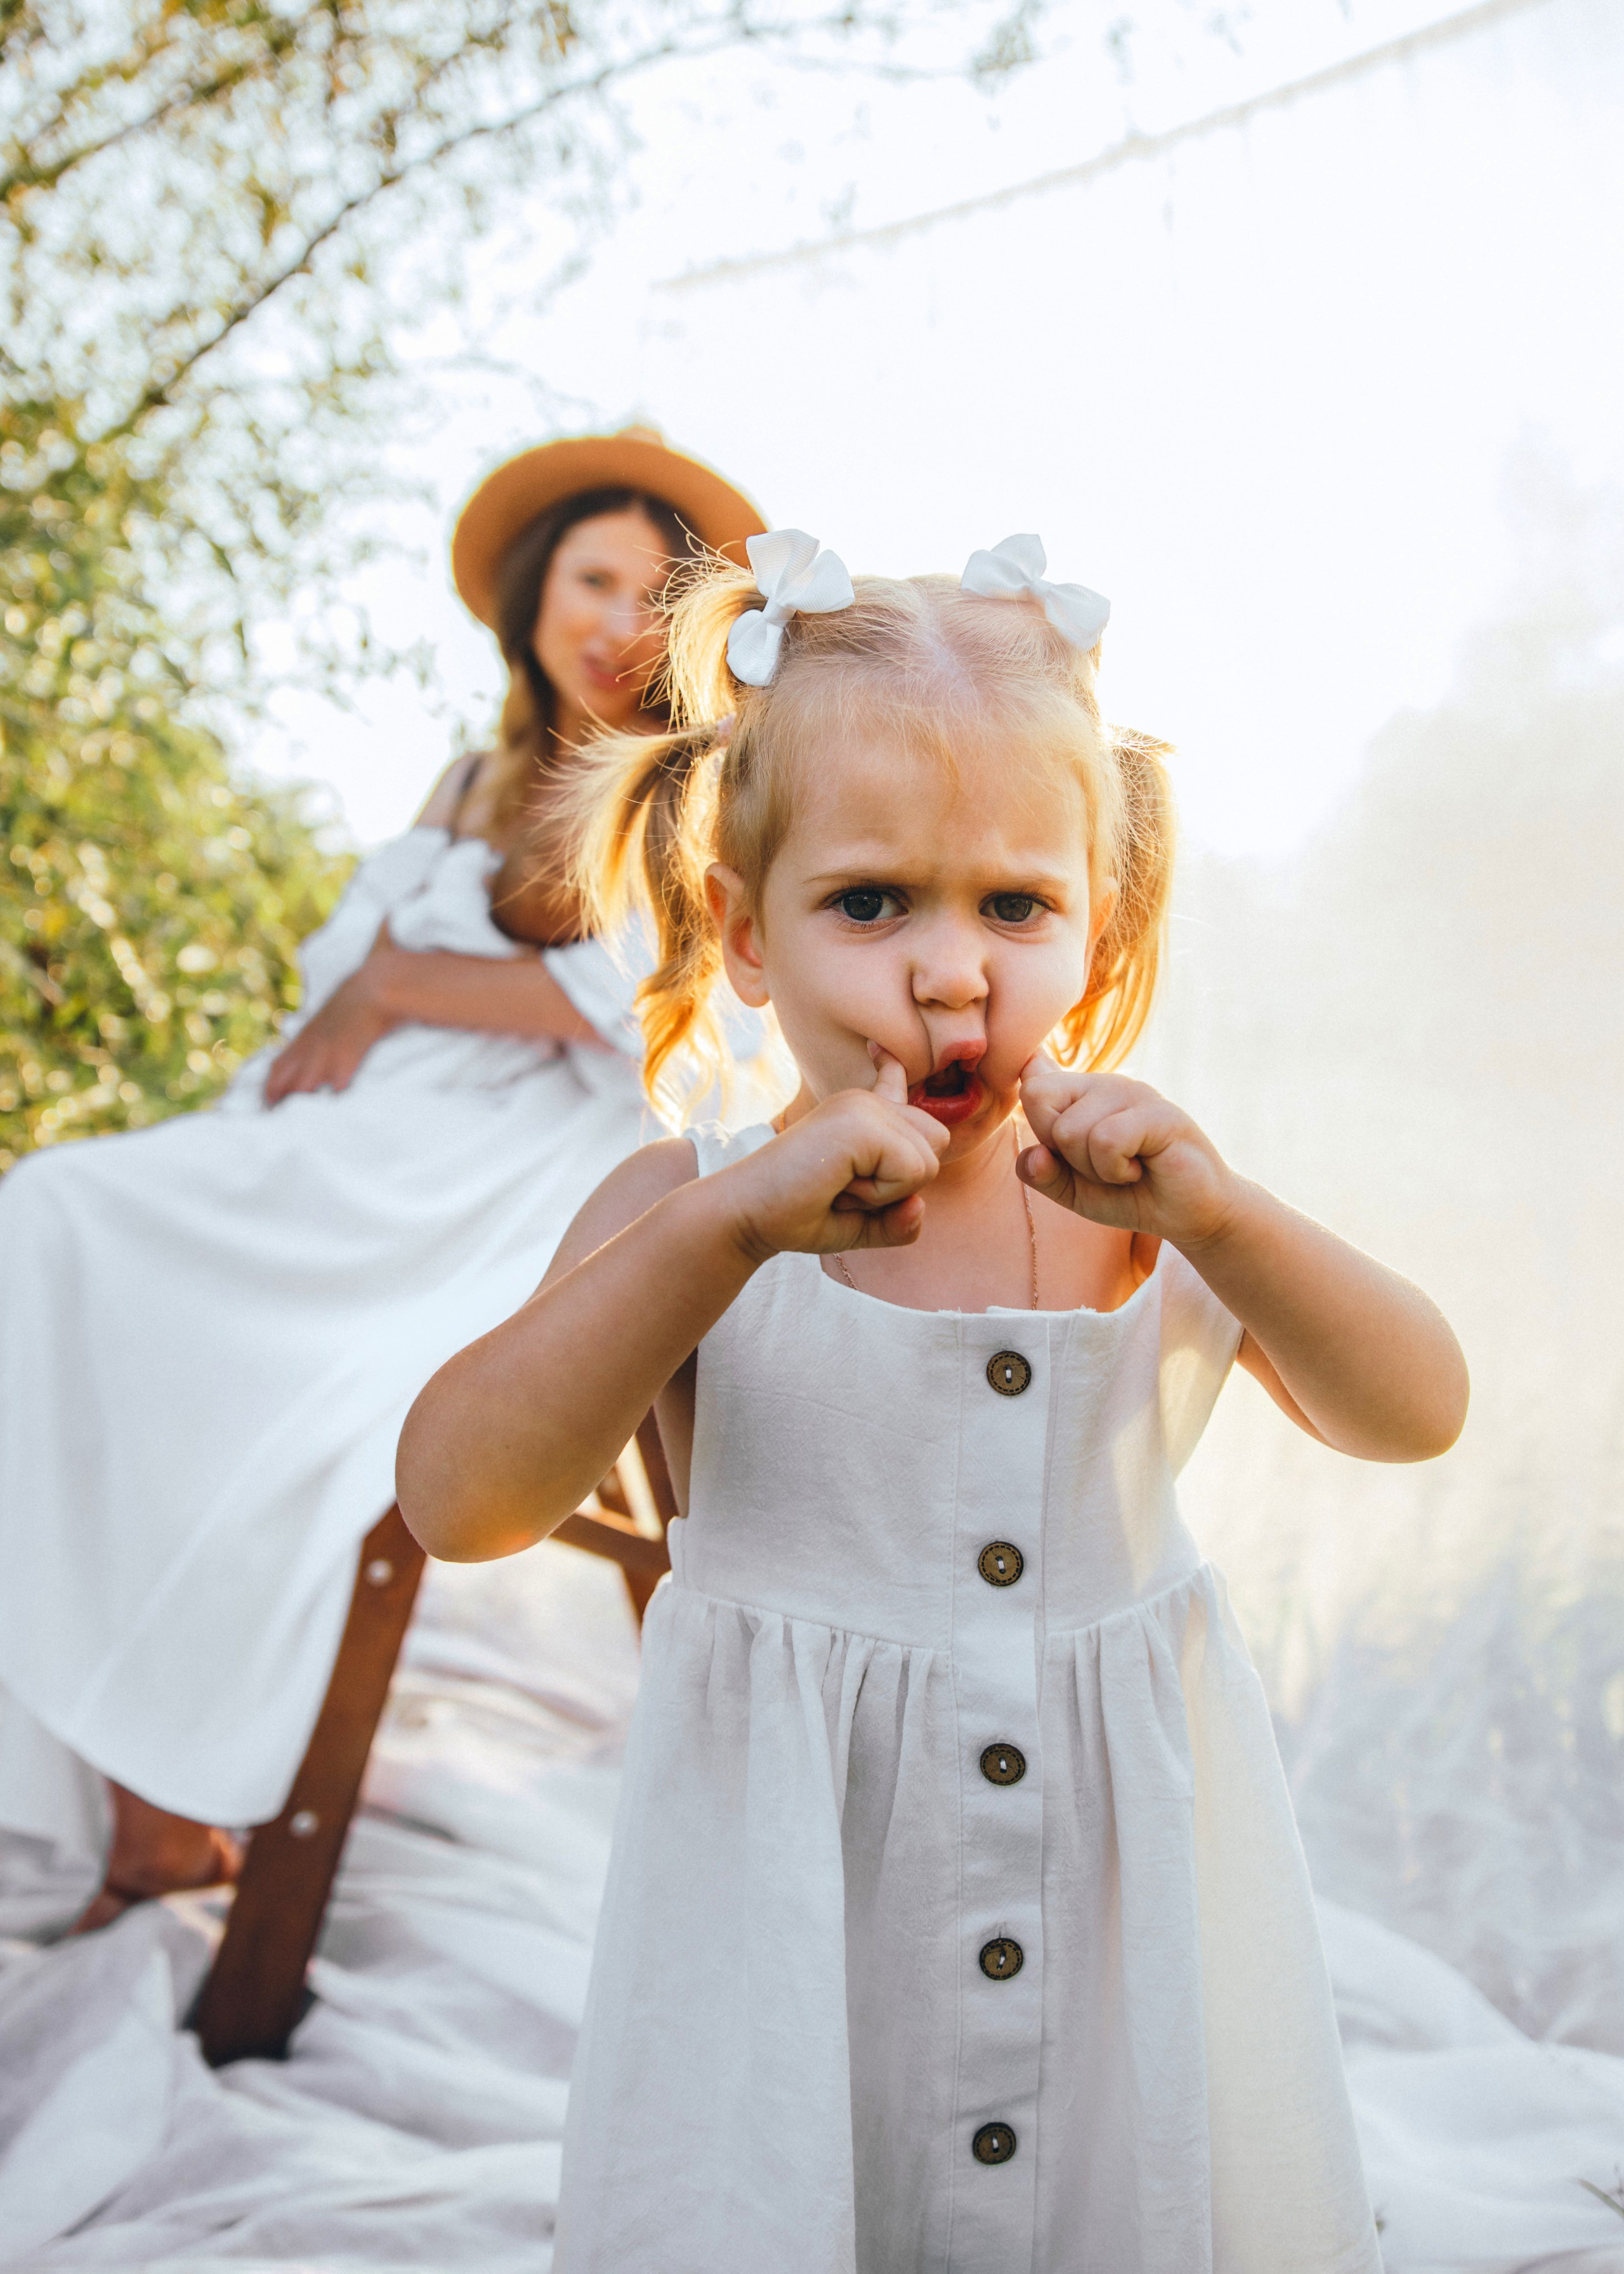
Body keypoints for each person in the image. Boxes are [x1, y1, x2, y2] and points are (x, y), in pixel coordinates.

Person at [397, 528, 1469, 2272]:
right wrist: (717, 1236)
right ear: (744, 933)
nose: (953, 970)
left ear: (1099, 929)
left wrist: (1228, 1218)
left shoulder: (1152, 1205)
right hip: (797, 1932)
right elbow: (462, 1499)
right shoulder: (689, 1206)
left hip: (1118, 1922)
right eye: (870, 901)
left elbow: (1413, 1409)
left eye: (1015, 906)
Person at [0, 427, 766, 1932]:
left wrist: (400, 982)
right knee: (55, 1222)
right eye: (590, 581)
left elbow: (651, 1011)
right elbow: (342, 972)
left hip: (503, 1165)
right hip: (357, 1131)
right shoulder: (470, 776)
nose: (615, 620)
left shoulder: (692, 787)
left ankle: (166, 1805)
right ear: (535, 597)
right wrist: (372, 992)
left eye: (649, 593)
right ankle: (129, 1787)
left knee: (238, 1351)